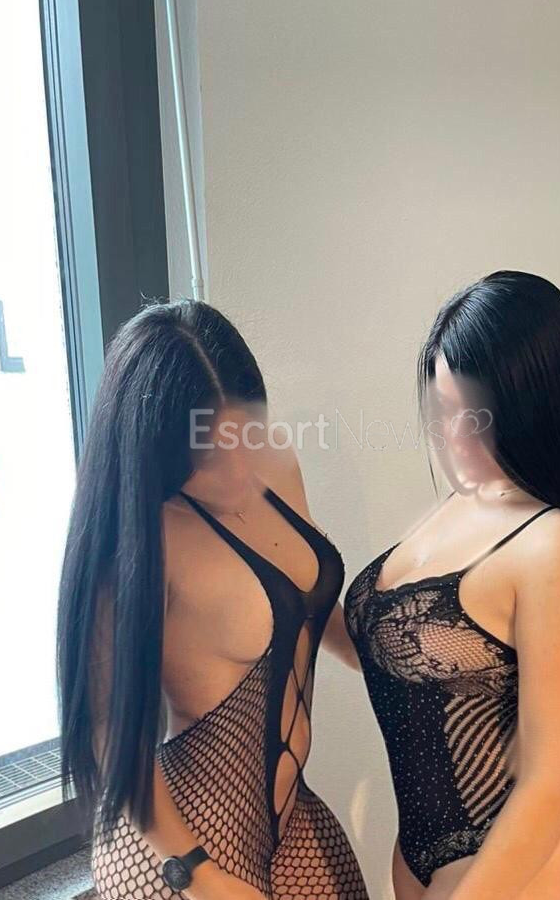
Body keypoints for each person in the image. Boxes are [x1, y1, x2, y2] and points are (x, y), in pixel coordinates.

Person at [57, 299, 369, 900]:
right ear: (158, 453)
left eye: (249, 433)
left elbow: (305, 603)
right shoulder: (138, 541)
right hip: (180, 842)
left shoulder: (278, 468)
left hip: (290, 816)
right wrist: (197, 874)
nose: (240, 469)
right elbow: (107, 728)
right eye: (208, 457)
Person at [340, 271, 560, 900]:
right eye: (441, 410)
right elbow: (393, 655)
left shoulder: (559, 546)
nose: (453, 437)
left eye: (475, 413)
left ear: (533, 405)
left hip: (523, 869)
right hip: (423, 857)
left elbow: (550, 783)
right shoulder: (457, 505)